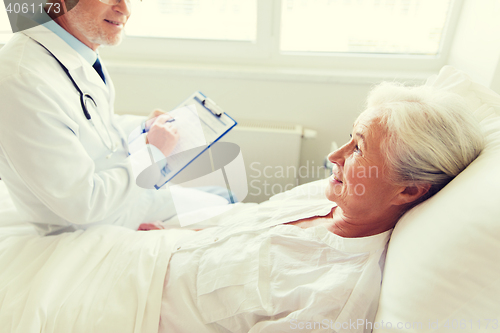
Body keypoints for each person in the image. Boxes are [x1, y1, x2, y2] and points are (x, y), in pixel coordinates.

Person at [157, 82, 484, 332]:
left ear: (408, 190)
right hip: (160, 251)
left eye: (358, 148)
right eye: (349, 137)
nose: (333, 156)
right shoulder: (325, 199)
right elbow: (243, 226)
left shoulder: (331, 301)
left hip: (143, 308)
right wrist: (176, 236)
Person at [0, 0, 227, 235]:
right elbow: (81, 203)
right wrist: (152, 154)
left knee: (219, 194)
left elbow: (86, 124)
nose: (126, 9)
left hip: (119, 196)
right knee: (224, 200)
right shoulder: (20, 79)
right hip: (92, 225)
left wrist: (143, 128)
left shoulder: (76, 48)